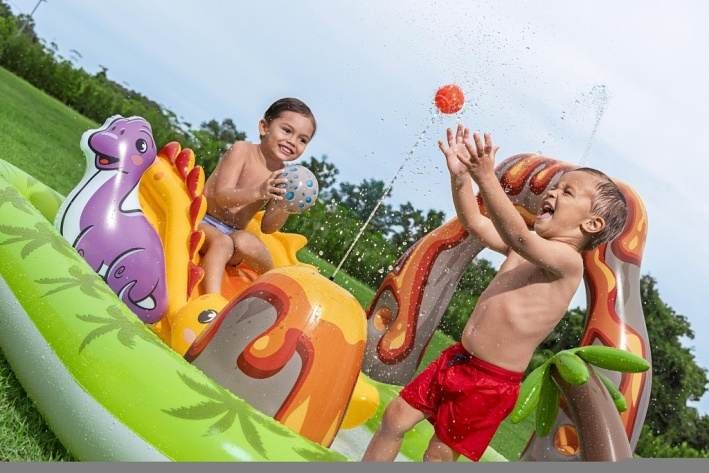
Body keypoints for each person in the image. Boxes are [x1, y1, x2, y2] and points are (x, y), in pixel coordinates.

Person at [362, 124, 628, 462]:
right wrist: (461, 178)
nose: (552, 193)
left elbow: (519, 237)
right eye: (555, 186)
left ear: (591, 224)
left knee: (439, 454)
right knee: (394, 418)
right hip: (458, 358)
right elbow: (475, 222)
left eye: (568, 192)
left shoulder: (567, 262)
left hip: (490, 383)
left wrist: (487, 177)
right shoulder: (527, 248)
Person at [199, 98, 316, 294]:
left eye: (302, 140)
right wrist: (259, 192)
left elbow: (267, 227)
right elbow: (222, 196)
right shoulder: (242, 150)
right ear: (264, 127)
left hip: (233, 235)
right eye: (287, 130)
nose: (292, 141)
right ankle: (211, 299)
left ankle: (275, 282)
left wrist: (285, 206)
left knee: (246, 241)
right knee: (223, 242)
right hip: (203, 221)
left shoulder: (285, 176)